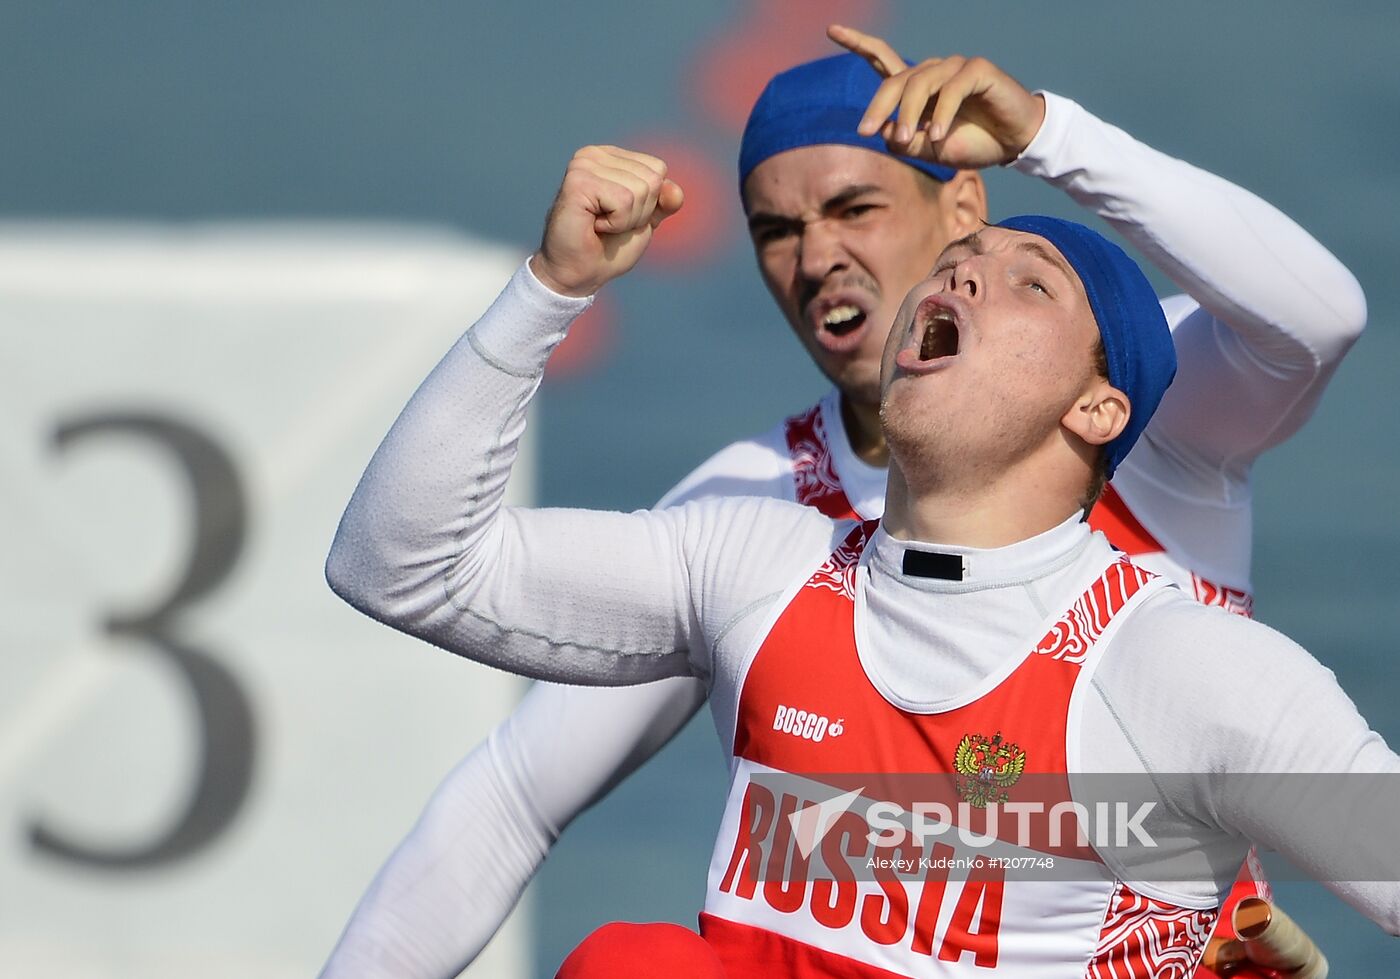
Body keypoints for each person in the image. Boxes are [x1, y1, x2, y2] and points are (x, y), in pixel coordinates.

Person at [317, 27, 1367, 978]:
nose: (817, 257)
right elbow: (501, 779)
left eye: (855, 208)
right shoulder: (754, 530)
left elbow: (1316, 322)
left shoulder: (1136, 392)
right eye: (777, 229)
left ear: (963, 199)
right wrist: (550, 288)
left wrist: (1051, 135)